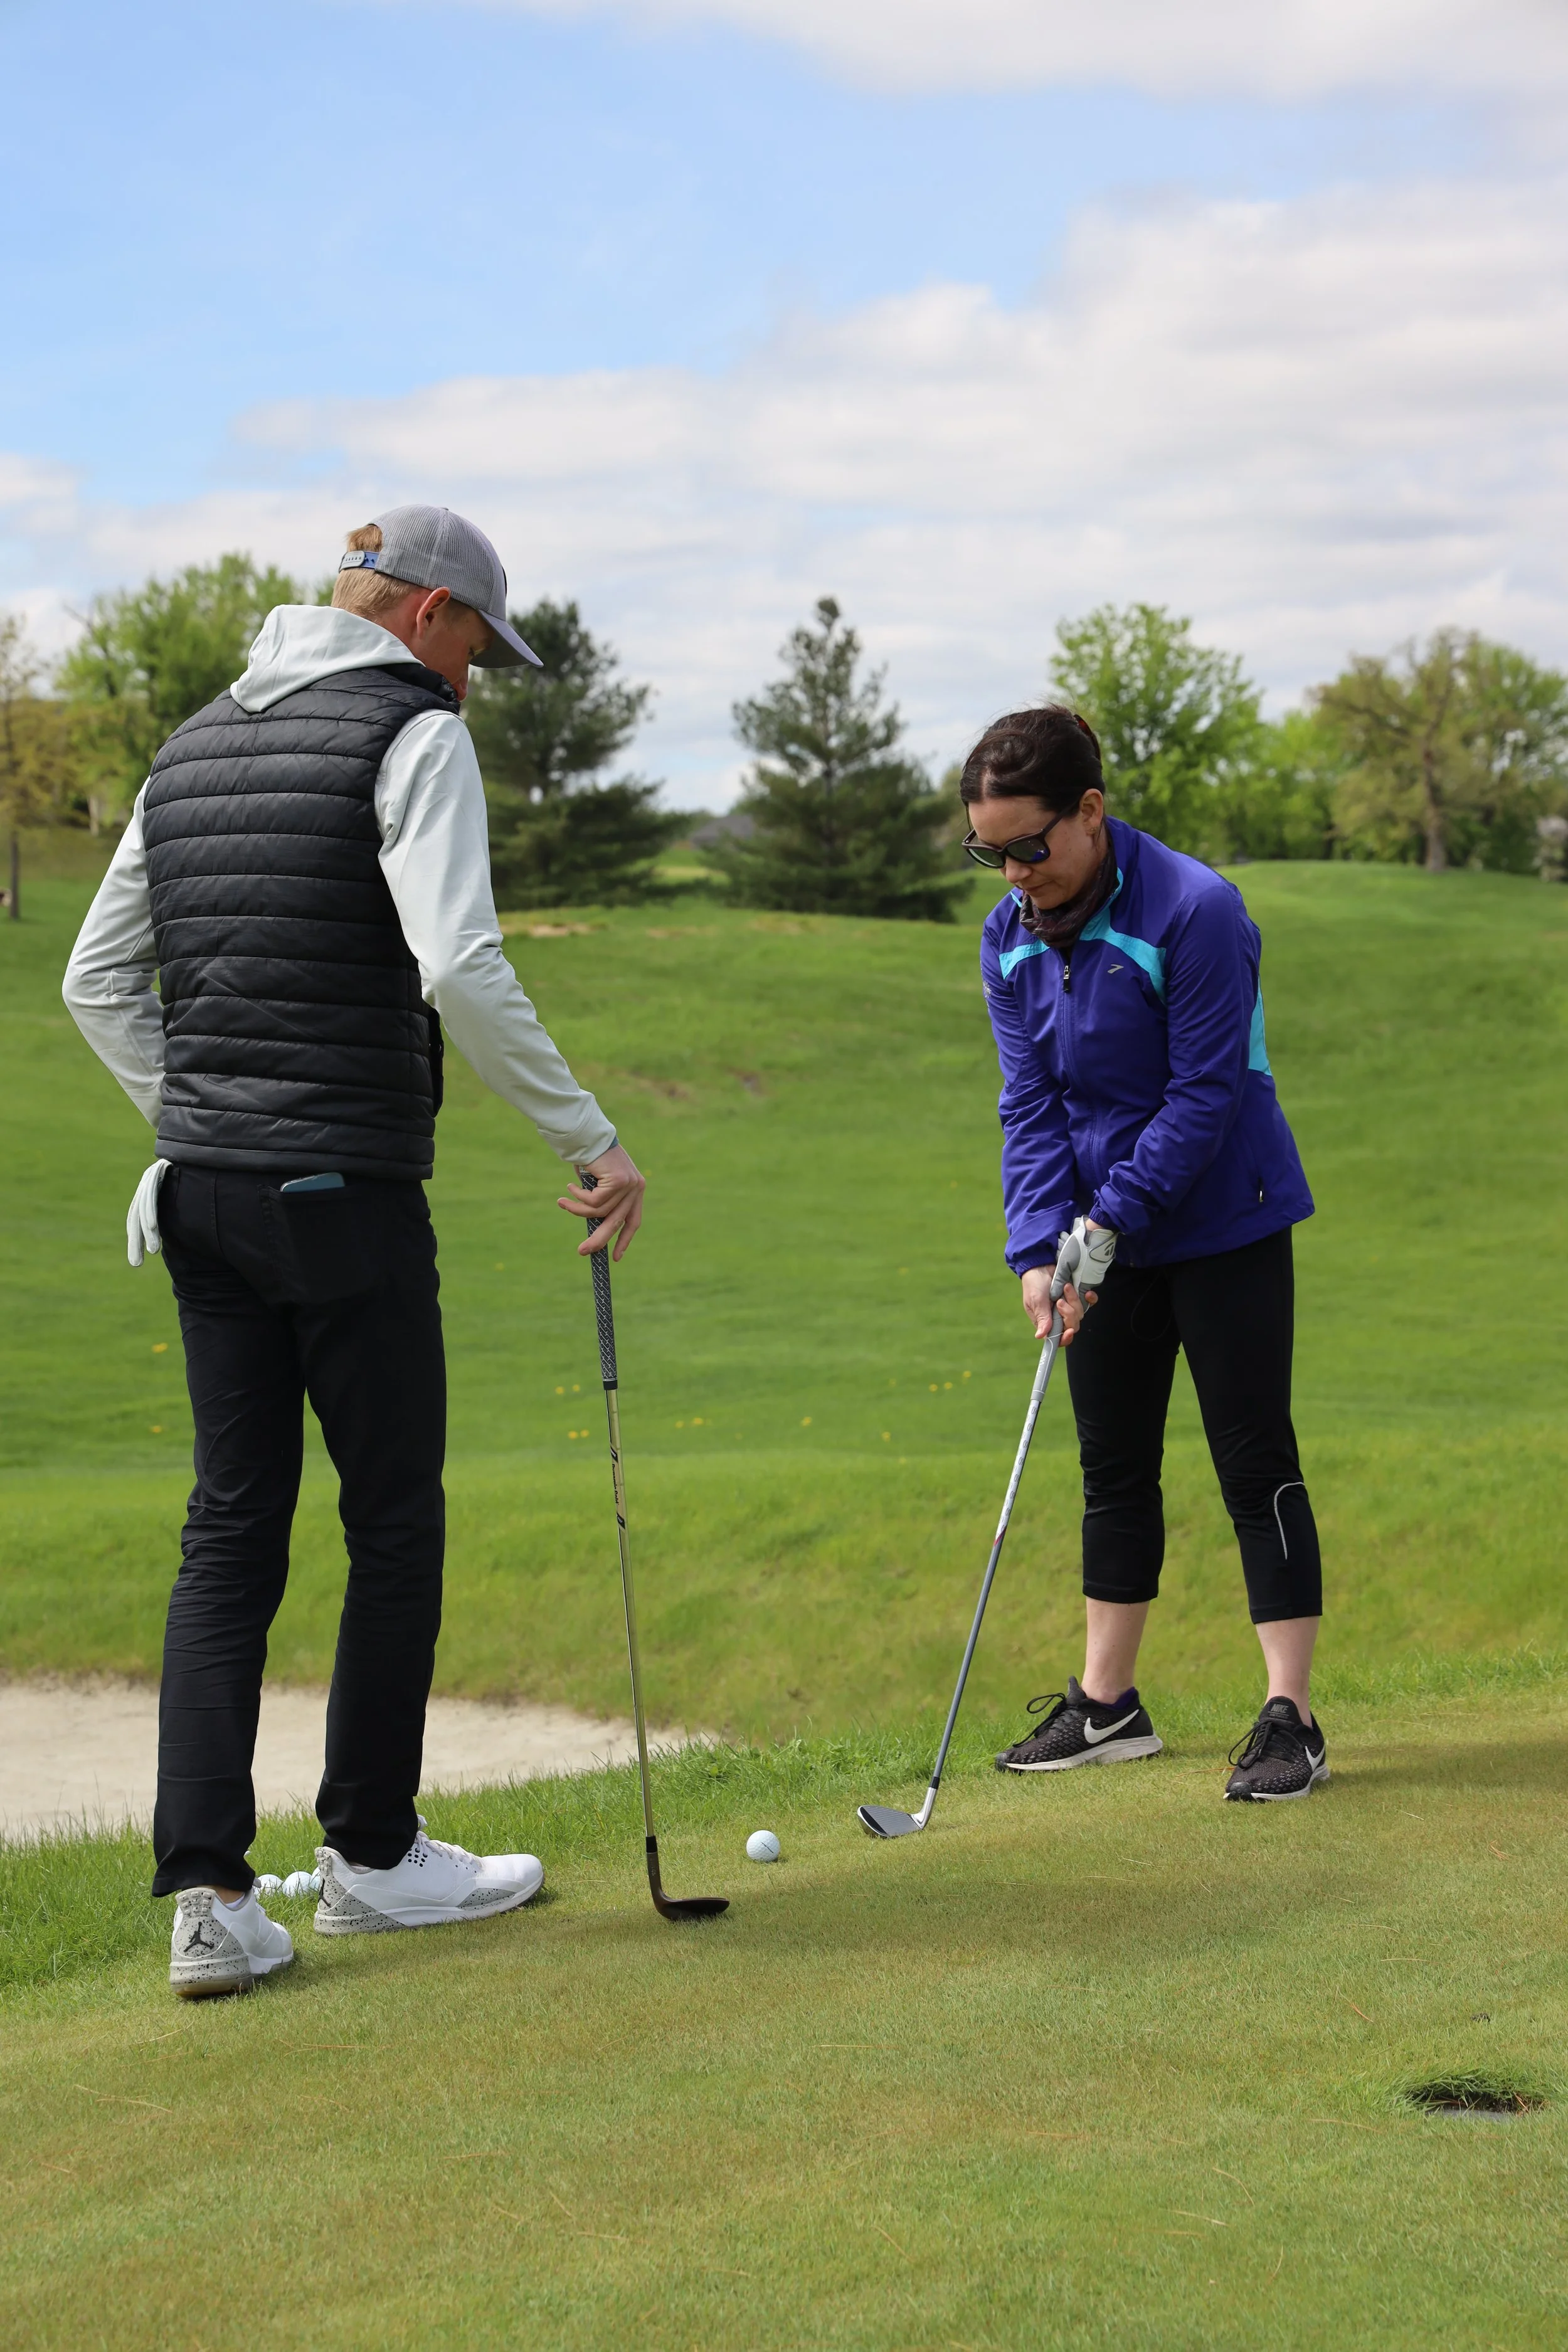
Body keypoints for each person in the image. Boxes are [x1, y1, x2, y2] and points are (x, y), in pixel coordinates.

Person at [63, 506, 647, 1996]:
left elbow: (97, 981)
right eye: (475, 647)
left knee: (229, 1528)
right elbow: (455, 960)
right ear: (423, 614)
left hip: (196, 1193)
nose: (477, 679)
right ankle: (375, 1862)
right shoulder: (409, 735)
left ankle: (208, 1901)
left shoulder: (191, 744)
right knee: (390, 1516)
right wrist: (589, 1137)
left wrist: (197, 1120)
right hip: (342, 1192)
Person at [965, 705, 1327, 1802]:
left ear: (1091, 811)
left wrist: (1104, 1221)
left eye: (1033, 846)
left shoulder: (1196, 911)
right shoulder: (1009, 937)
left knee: (1252, 1457)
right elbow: (1029, 1105)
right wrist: (1039, 1247)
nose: (1017, 873)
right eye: (992, 852)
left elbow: (1204, 1095)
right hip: (1093, 1236)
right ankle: (1108, 1703)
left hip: (1225, 1217)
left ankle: (1292, 1716)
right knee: (1111, 1461)